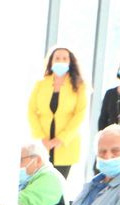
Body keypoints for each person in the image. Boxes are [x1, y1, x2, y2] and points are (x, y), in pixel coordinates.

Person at [28, 47, 88, 178]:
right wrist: (41, 137)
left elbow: (80, 114)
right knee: (39, 180)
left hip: (66, 144)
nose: (60, 61)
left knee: (59, 183)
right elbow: (31, 111)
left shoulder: (79, 85)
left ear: (70, 62)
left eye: (64, 58)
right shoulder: (40, 84)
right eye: (57, 58)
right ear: (51, 62)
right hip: (42, 143)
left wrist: (61, 139)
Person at [19, 140, 67, 205]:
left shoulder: (50, 179)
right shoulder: (35, 176)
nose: (18, 165)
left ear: (38, 160)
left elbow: (23, 203)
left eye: (21, 160)